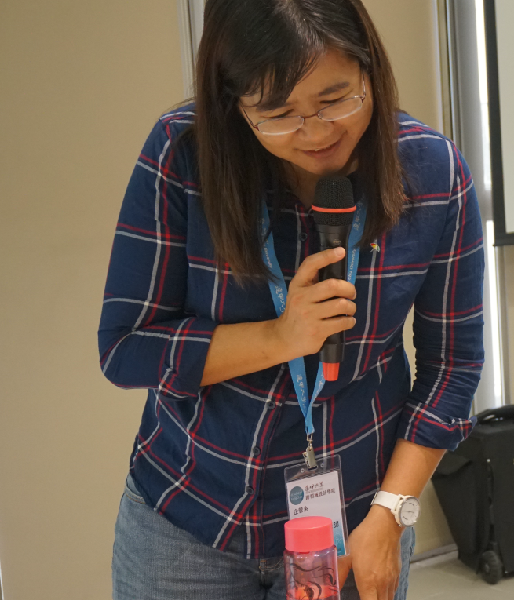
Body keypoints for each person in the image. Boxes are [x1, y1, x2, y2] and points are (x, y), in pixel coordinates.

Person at [97, 1, 484, 599]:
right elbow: (125, 349)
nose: (318, 132)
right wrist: (280, 338)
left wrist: (391, 514)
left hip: (357, 520)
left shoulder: (432, 171)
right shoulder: (184, 152)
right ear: (235, 104)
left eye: (336, 99)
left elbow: (452, 367)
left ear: (369, 70)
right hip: (189, 520)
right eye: (279, 114)